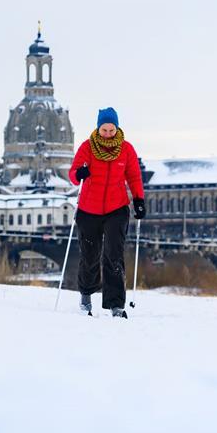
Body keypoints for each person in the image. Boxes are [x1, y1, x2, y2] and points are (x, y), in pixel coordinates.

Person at [69, 107, 146, 318]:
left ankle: (115, 304)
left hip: (116, 209)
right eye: (104, 130)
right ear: (98, 128)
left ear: (117, 128)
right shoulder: (87, 147)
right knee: (90, 255)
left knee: (114, 255)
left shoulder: (126, 150)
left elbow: (134, 177)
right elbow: (73, 175)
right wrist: (80, 173)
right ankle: (86, 294)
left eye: (112, 130)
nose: (108, 134)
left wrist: (139, 200)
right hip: (88, 209)